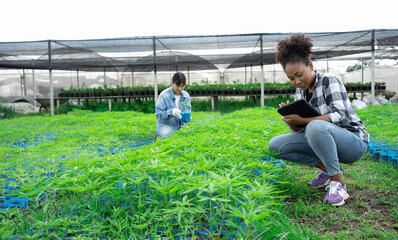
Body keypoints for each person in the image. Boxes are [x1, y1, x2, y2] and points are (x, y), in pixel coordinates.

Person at [268, 34, 369, 206]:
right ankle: (325, 170)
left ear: (310, 65)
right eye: (291, 78)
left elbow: (340, 116)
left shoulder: (329, 80)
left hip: (353, 143)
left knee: (315, 126)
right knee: (276, 145)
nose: (297, 81)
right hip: (322, 138)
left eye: (299, 75)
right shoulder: (300, 92)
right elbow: (302, 131)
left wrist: (304, 120)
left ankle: (338, 184)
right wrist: (293, 122)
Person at [155, 72, 191, 139]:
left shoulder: (186, 96)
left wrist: (187, 117)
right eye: (177, 85)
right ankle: (158, 138)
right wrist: (171, 112)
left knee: (190, 136)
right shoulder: (164, 95)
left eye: (182, 86)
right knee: (169, 137)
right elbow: (158, 115)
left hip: (180, 126)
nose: (180, 89)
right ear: (172, 82)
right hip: (166, 126)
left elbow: (188, 112)